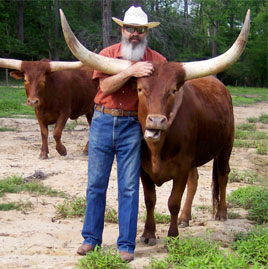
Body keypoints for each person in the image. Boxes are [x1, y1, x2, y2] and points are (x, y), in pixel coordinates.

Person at [77, 6, 167, 262]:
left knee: (128, 187)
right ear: (122, 29)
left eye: (140, 30)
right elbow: (104, 85)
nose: (134, 34)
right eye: (130, 29)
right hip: (103, 121)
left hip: (132, 126)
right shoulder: (107, 55)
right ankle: (90, 239)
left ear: (146, 32)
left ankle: (126, 244)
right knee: (96, 184)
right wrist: (130, 71)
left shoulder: (157, 61)